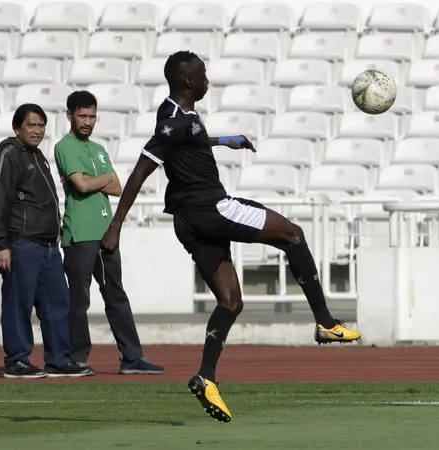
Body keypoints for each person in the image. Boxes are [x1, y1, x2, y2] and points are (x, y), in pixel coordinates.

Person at [99, 50, 362, 423]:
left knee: (231, 301)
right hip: (211, 209)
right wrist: (116, 225)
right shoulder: (172, 121)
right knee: (293, 235)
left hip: (188, 221)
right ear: (189, 81)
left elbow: (188, 140)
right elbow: (142, 170)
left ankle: (206, 377)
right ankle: (326, 322)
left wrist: (224, 140)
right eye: (203, 75)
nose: (208, 80)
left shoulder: (177, 114)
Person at [54, 90, 164, 376]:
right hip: (79, 233)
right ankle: (76, 358)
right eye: (82, 115)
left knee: (116, 295)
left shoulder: (99, 149)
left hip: (105, 233)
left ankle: (132, 356)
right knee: (79, 300)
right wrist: (100, 180)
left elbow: (117, 187)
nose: (88, 121)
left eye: (92, 116)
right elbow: (82, 185)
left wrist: (97, 181)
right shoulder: (64, 146)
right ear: (70, 116)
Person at [0, 103, 92, 378]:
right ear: (17, 128)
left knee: (58, 304)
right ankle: (17, 361)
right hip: (21, 243)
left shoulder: (37, 156)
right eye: (31, 125)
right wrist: (0, 245)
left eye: (41, 125)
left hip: (47, 247)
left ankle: (58, 359)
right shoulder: (9, 154)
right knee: (18, 304)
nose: (37, 130)